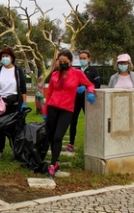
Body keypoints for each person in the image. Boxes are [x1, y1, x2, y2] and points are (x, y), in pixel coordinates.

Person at [43, 49, 95, 178]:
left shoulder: (77, 74)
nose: (62, 64)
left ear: (71, 62)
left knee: (58, 137)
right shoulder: (55, 75)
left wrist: (90, 92)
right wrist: (45, 111)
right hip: (52, 107)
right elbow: (49, 93)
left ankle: (52, 164)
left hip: (67, 110)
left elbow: (90, 84)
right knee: (51, 136)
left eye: (65, 62)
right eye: (60, 62)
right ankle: (56, 162)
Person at [0, 47, 27, 160]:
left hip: (15, 103)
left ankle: (16, 151)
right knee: (1, 127)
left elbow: (23, 89)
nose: (5, 58)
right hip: (1, 104)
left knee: (15, 129)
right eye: (3, 56)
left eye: (7, 56)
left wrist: (24, 103)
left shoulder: (18, 71)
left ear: (12, 57)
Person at [66, 50, 101, 152]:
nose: (82, 60)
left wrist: (86, 88)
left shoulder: (93, 71)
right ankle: (71, 143)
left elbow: (97, 84)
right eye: (80, 58)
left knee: (91, 121)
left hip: (88, 100)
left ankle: (93, 143)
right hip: (76, 100)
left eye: (84, 58)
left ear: (89, 59)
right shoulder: (75, 70)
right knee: (73, 122)